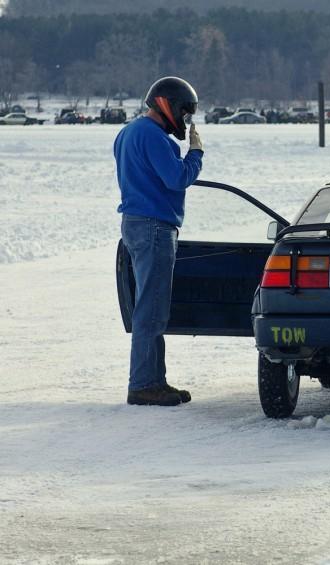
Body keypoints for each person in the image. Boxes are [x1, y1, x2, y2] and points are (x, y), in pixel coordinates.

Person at [114, 76, 204, 406]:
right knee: (151, 309)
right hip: (154, 226)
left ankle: (154, 380)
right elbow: (176, 178)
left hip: (136, 223)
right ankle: (143, 384)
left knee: (150, 306)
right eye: (184, 112)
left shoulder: (128, 133)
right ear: (167, 104)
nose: (184, 120)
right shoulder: (153, 136)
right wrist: (195, 154)